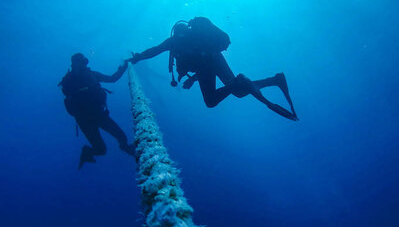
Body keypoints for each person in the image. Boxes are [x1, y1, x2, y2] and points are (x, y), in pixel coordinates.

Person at [129, 17, 298, 121]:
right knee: (237, 92)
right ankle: (274, 80)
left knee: (214, 99)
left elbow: (154, 50)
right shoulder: (187, 40)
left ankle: (243, 81)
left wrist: (137, 57)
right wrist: (193, 78)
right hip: (214, 61)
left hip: (209, 64)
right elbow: (198, 58)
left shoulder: (172, 42)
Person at [59, 53, 135, 169]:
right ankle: (124, 148)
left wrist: (124, 66)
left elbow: (112, 79)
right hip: (91, 118)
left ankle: (126, 149)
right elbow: (113, 78)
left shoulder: (75, 78)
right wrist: (124, 66)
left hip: (91, 118)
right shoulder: (90, 75)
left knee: (106, 146)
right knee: (109, 145)